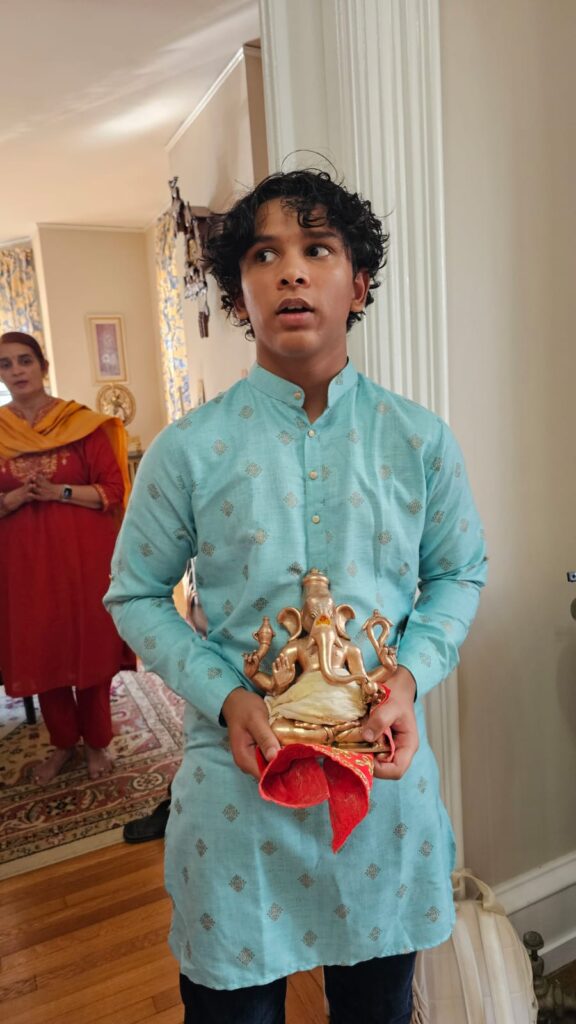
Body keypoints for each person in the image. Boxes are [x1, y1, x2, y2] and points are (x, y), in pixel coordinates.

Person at [105, 170, 487, 1024]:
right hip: (238, 792)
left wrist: (407, 680)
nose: (290, 272)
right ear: (239, 293)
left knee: (379, 1007)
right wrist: (225, 695)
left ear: (360, 283)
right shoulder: (188, 450)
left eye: (317, 249)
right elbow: (134, 594)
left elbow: (459, 573)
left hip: (381, 784)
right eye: (263, 255)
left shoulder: (418, 441)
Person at [0, 330, 133, 785]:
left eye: (24, 360)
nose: (16, 370)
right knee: (43, 649)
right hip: (23, 564)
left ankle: (96, 741)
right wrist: (14, 498)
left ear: (43, 366)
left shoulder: (81, 425)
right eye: (5, 364)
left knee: (88, 644)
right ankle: (62, 744)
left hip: (83, 558)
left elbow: (113, 490)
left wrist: (60, 492)